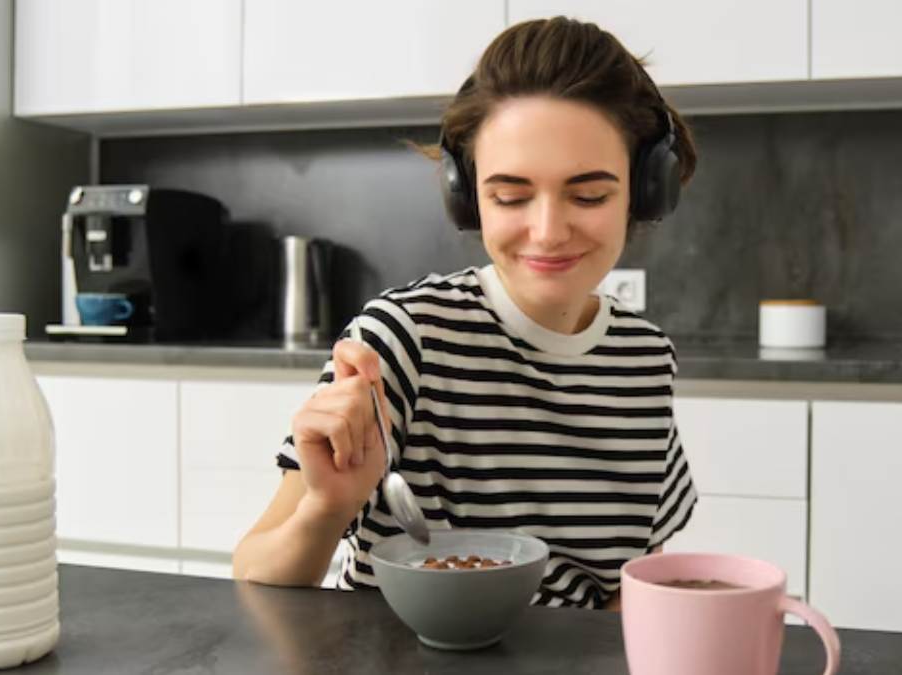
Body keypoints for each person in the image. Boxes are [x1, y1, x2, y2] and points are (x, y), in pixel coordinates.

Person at [232, 16, 699, 610]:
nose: (548, 231)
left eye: (589, 195)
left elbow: (621, 593)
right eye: (510, 196)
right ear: (467, 196)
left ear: (645, 189)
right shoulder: (403, 338)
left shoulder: (646, 357)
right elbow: (252, 573)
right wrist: (328, 507)